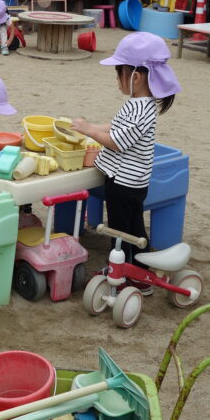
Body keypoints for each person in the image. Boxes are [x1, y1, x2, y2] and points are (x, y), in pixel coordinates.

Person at [72, 32, 180, 263]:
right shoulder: (139, 103)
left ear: (136, 77)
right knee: (134, 228)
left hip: (124, 184)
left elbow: (117, 142)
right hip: (131, 182)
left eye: (119, 73)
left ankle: (119, 271)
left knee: (119, 232)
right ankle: (140, 269)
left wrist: (90, 131)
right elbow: (116, 126)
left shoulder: (141, 109)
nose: (117, 79)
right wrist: (89, 126)